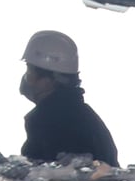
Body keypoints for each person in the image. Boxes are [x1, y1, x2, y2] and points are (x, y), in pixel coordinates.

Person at [20, 30, 118, 166]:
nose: (26, 79)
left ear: (49, 80)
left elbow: (41, 176)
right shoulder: (82, 116)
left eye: (30, 71)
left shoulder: (49, 120)